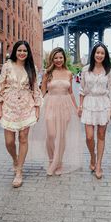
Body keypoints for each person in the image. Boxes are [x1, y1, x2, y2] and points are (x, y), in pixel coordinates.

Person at [28, 47, 83, 176]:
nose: (58, 60)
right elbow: (41, 91)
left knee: (62, 136)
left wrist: (76, 108)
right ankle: (52, 160)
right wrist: (36, 105)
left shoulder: (69, 73)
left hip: (65, 105)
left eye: (60, 57)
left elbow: (70, 93)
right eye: (56, 58)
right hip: (50, 103)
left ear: (64, 58)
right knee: (51, 135)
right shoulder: (47, 73)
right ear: (52, 59)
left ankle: (58, 163)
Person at [0, 41, 41, 188]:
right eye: (19, 50)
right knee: (9, 141)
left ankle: (19, 171)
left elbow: (35, 89)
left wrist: (37, 109)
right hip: (9, 105)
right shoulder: (7, 66)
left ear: (28, 53)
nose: (22, 53)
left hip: (27, 106)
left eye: (25, 51)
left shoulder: (32, 67)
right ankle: (15, 159)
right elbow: (0, 86)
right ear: (15, 51)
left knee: (23, 138)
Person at [78, 43, 111, 179]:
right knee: (89, 136)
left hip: (103, 104)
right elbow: (82, 89)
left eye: (102, 53)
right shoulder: (85, 70)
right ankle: (92, 156)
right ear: (93, 54)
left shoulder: (108, 71)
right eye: (97, 53)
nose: (99, 55)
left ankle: (98, 164)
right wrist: (80, 106)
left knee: (101, 135)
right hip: (89, 103)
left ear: (105, 56)